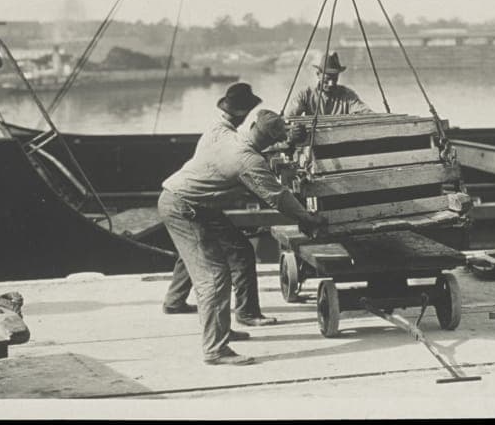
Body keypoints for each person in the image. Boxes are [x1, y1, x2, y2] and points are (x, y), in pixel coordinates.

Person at [159, 108, 327, 366]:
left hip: (189, 201)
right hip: (184, 208)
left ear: (252, 125)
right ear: (270, 140)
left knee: (238, 250)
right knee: (214, 277)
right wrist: (307, 218)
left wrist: (286, 141)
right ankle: (215, 349)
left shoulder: (226, 135)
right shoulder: (249, 162)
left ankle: (227, 323)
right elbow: (278, 198)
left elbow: (253, 145)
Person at [162, 83, 277, 327]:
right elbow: (244, 163)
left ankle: (174, 300)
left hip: (174, 197)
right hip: (188, 203)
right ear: (244, 115)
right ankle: (247, 313)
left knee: (194, 247)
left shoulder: (215, 128)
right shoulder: (231, 140)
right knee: (242, 252)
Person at [286, 51, 374, 118]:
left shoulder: (348, 96)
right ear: (318, 75)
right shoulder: (306, 94)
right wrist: (295, 130)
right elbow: (290, 117)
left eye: (335, 79)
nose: (331, 83)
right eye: (327, 79)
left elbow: (365, 112)